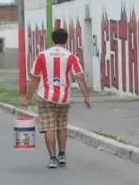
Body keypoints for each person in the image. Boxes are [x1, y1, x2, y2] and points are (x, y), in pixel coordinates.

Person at [23, 27, 92, 169]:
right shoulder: (71, 56)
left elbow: (35, 79)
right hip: (63, 98)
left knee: (49, 126)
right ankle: (62, 155)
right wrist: (86, 97)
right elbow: (79, 77)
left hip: (45, 96)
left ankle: (52, 158)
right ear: (66, 40)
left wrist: (27, 99)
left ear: (52, 39)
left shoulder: (42, 55)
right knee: (61, 126)